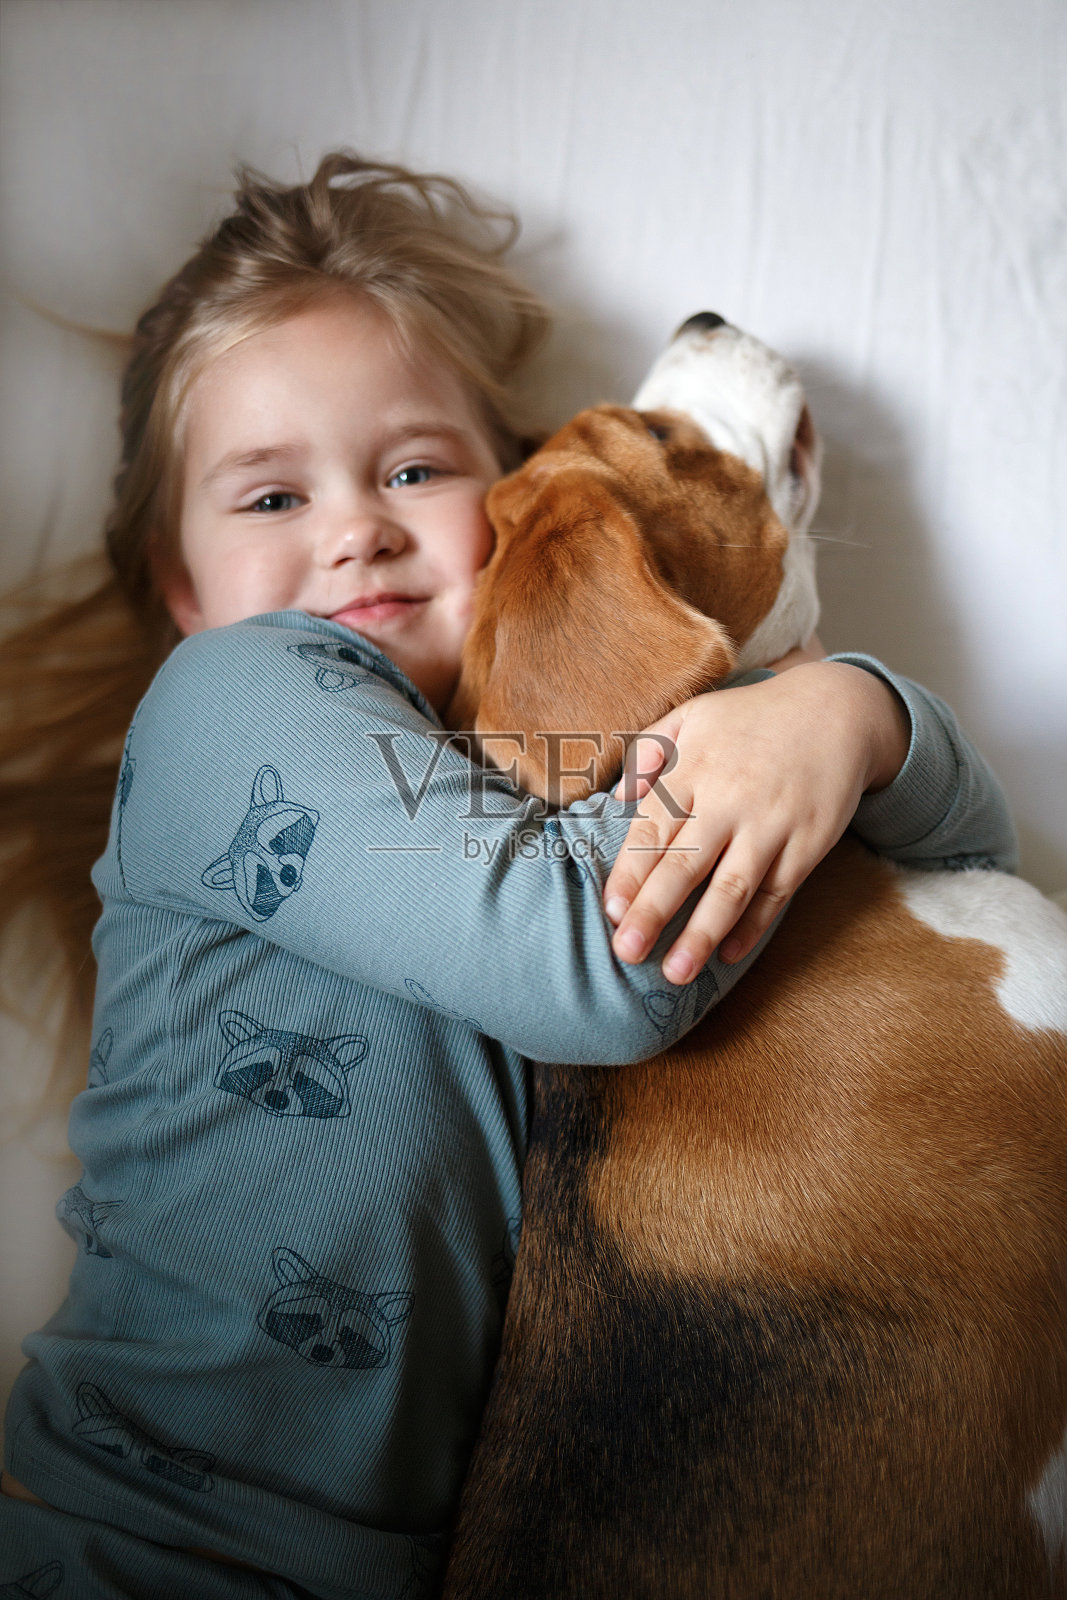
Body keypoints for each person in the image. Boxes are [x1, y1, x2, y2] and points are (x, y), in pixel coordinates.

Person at [0, 152, 1016, 1599]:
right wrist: (781, 723)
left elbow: (972, 855)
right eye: (270, 496)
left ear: (515, 502)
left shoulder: (518, 788)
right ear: (180, 590)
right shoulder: (233, 703)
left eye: (415, 469)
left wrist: (859, 718)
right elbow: (585, 965)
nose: (354, 526)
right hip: (138, 1550)